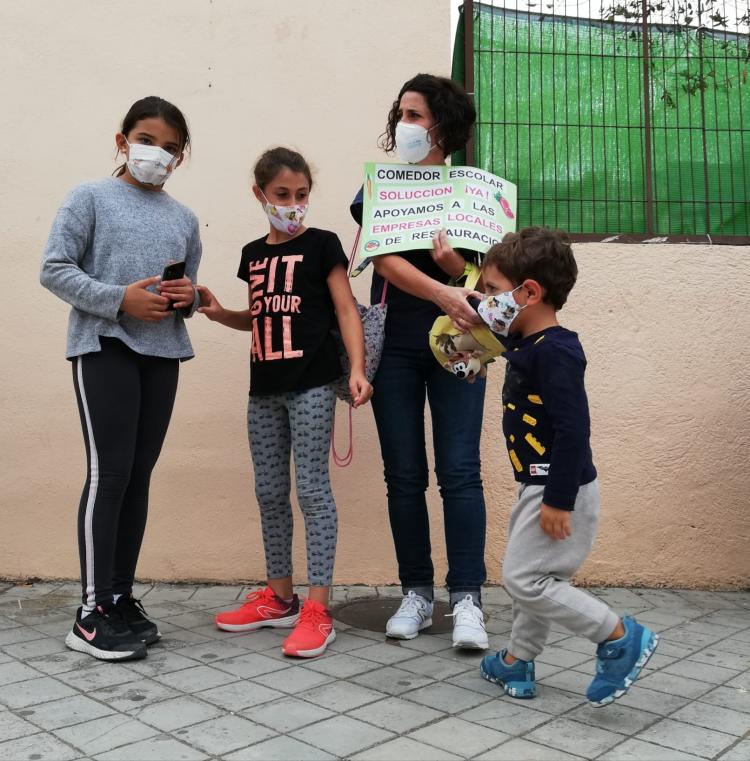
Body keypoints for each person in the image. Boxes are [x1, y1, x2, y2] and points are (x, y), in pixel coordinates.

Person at [40, 96, 202, 662]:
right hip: (103, 346)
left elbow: (187, 290)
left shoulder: (183, 218)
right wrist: (118, 300)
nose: (157, 153)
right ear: (122, 140)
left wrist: (188, 298)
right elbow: (54, 268)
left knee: (138, 476)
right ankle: (89, 613)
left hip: (162, 356)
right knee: (109, 473)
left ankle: (119, 597)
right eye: (147, 139)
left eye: (170, 147)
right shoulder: (89, 197)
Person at [198, 147, 372, 658]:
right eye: (282, 195)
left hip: (312, 384)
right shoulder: (254, 254)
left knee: (312, 491)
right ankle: (279, 599)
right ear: (260, 195)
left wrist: (357, 369)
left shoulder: (323, 245)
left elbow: (345, 309)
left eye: (301, 195)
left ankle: (319, 608)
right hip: (264, 389)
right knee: (269, 491)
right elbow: (259, 318)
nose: (293, 205)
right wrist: (218, 313)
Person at [476, 227, 659, 706]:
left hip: (558, 489)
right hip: (539, 485)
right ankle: (518, 660)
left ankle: (618, 636)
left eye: (493, 291)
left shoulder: (556, 351)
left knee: (524, 579)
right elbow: (495, 338)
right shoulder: (531, 344)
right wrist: (459, 269)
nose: (486, 301)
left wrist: (558, 499)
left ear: (529, 292)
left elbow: (574, 430)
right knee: (540, 579)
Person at [350, 73, 490, 648]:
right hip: (397, 343)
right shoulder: (381, 187)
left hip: (462, 341)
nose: (405, 124)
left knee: (460, 471)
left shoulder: (478, 191)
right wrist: (440, 288)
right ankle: (414, 592)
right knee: (403, 474)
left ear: (443, 125)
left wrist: (457, 266)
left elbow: (485, 275)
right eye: (401, 114)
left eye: (415, 114)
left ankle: (467, 600)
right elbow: (382, 261)